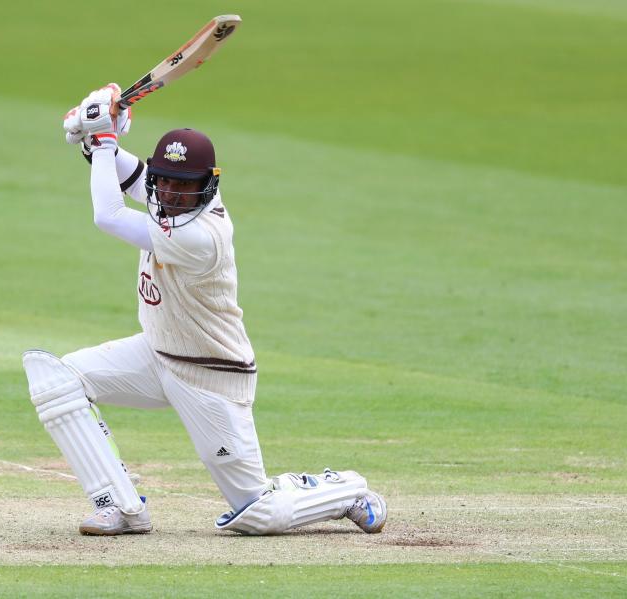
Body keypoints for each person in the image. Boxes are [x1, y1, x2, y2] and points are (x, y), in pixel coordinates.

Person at [21, 84, 387, 536]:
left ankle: (344, 490)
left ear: (207, 186)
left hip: (209, 374)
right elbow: (127, 175)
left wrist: (102, 141)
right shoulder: (164, 197)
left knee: (257, 513)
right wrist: (93, 138)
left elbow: (109, 215)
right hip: (156, 355)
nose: (171, 193)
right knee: (59, 380)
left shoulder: (202, 235)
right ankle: (121, 505)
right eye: (165, 181)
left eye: (185, 185)